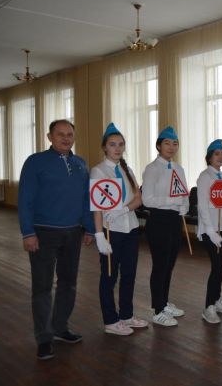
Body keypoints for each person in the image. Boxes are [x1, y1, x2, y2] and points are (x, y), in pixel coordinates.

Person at [18, 119, 94, 360]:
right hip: (43, 233)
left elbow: (86, 200)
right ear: (49, 137)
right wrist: (28, 232)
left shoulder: (80, 163)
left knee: (68, 283)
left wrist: (90, 229)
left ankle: (60, 328)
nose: (66, 138)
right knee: (42, 287)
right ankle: (44, 338)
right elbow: (25, 200)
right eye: (60, 134)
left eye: (70, 134)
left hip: (73, 232)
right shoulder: (35, 162)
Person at [91, 123, 149, 336]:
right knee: (109, 275)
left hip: (130, 228)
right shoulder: (98, 171)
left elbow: (139, 198)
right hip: (110, 230)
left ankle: (126, 315)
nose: (117, 148)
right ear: (104, 147)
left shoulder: (127, 169)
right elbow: (96, 206)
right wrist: (99, 235)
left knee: (129, 274)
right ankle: (110, 320)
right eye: (112, 144)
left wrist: (123, 210)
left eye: (121, 144)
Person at [142, 126, 189, 327]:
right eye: (167, 143)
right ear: (159, 146)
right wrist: (172, 201)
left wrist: (184, 205)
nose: (171, 147)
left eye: (175, 143)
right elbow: (147, 199)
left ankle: (164, 302)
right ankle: (157, 310)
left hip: (175, 220)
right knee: (160, 265)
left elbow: (184, 192)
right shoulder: (152, 169)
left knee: (170, 264)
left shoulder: (179, 168)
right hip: (158, 220)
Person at [197, 139, 222, 324]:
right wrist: (210, 231)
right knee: (217, 266)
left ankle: (217, 299)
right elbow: (203, 206)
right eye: (217, 154)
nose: (221, 157)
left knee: (221, 266)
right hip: (211, 229)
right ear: (209, 157)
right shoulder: (205, 177)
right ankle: (209, 307)